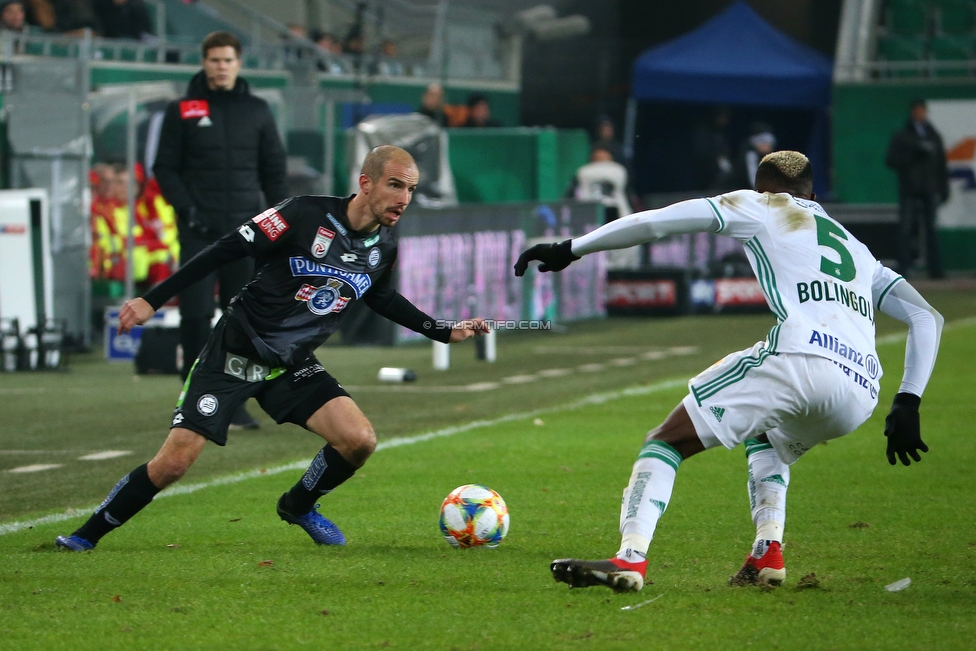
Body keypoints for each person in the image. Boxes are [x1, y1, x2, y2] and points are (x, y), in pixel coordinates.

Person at [515, 150, 943, 592]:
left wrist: (572, 247)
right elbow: (927, 317)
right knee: (767, 435)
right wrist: (908, 399)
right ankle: (766, 554)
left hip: (800, 360)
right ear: (813, 195)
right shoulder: (858, 249)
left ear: (762, 188)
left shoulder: (759, 205)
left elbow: (656, 222)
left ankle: (629, 560)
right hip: (860, 392)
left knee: (666, 440)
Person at [56, 145, 489, 553]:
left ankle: (298, 505)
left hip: (290, 364)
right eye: (396, 184)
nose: (405, 197)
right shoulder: (303, 213)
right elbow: (225, 249)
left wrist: (441, 330)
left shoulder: (384, 248)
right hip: (235, 352)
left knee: (358, 441)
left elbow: (380, 297)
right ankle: (85, 536)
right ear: (366, 183)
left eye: (411, 189)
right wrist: (152, 298)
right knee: (172, 464)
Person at [153, 31, 288, 430]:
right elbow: (164, 168)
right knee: (195, 315)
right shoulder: (182, 110)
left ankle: (232, 401)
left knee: (241, 318)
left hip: (246, 233)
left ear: (238, 63)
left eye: (228, 60)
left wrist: (277, 223)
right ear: (204, 62)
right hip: (199, 230)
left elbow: (274, 172)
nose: (221, 66)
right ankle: (191, 399)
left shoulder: (258, 110)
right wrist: (187, 211)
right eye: (214, 60)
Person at [885, 99, 949, 279]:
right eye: (917, 110)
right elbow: (891, 160)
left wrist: (943, 189)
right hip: (909, 189)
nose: (920, 114)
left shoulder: (933, 136)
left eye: (922, 111)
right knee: (906, 229)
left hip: (929, 189)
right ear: (913, 112)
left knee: (931, 230)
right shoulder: (902, 136)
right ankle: (904, 267)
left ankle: (935, 269)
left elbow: (941, 166)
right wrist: (913, 154)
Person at [730, 121, 776, 190]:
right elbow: (753, 180)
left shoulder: (766, 157)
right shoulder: (750, 155)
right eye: (764, 142)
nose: (768, 145)